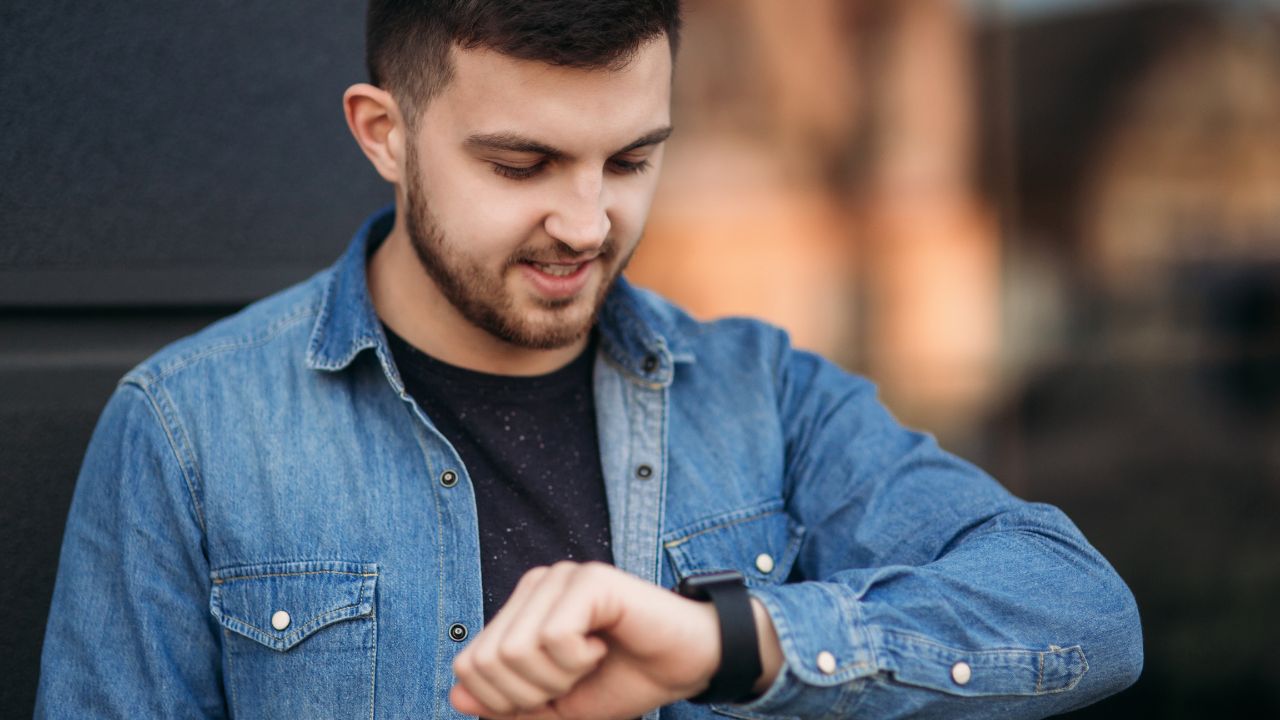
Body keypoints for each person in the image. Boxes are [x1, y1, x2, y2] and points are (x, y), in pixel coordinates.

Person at [35, 1, 1143, 718]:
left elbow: (1081, 614)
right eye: (522, 164)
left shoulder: (761, 395)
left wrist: (732, 645)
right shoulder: (191, 431)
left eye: (629, 159)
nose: (584, 222)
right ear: (383, 132)